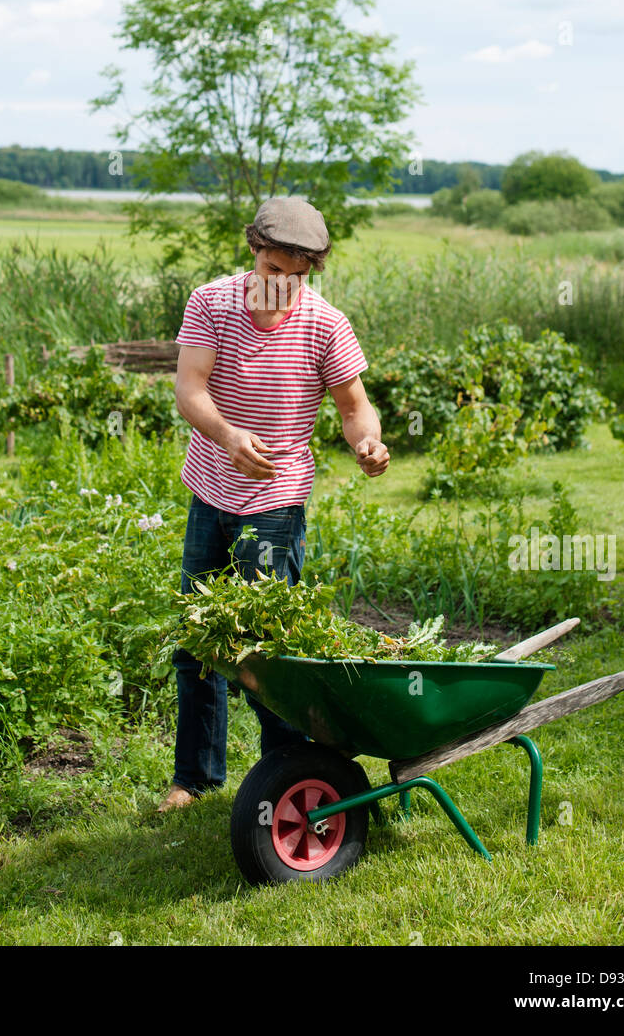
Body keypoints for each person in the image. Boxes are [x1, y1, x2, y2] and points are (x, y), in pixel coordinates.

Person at [157, 196, 390, 811]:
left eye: (298, 274)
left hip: (278, 503)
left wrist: (367, 439)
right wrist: (230, 438)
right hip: (211, 489)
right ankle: (195, 778)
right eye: (274, 270)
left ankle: (285, 775)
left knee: (269, 649)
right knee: (199, 642)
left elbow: (352, 404)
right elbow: (189, 390)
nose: (283, 285)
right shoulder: (211, 302)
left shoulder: (325, 324)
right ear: (253, 250)